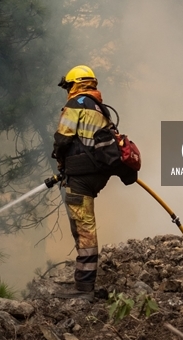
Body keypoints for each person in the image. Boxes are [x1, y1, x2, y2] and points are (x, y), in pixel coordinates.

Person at [52, 65, 137, 298]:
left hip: (80, 177)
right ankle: (84, 283)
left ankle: (84, 288)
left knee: (84, 230)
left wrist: (61, 161)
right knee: (85, 227)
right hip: (98, 176)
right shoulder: (101, 109)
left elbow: (62, 139)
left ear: (75, 85)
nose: (67, 90)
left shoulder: (75, 105)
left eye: (68, 86)